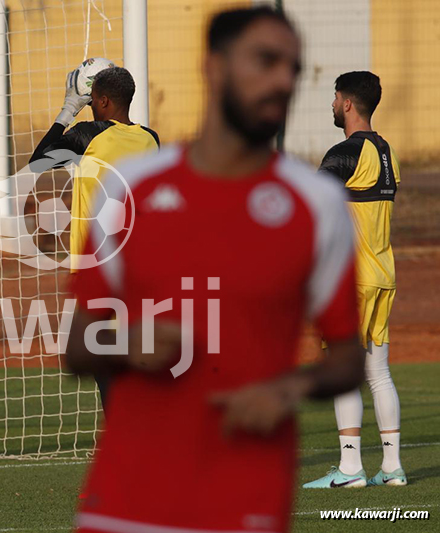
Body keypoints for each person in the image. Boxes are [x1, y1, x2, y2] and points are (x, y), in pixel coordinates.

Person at [65, 7, 365, 533]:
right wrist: (128, 343)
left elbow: (347, 359)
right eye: (264, 62)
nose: (280, 81)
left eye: (291, 68)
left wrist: (289, 389)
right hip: (126, 500)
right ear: (214, 68)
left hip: (245, 496)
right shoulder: (131, 184)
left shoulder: (317, 203)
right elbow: (78, 344)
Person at [30, 66, 159, 409]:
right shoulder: (151, 138)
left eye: (91, 102)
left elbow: (37, 163)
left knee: (103, 351)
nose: (88, 107)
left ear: (102, 101)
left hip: (101, 264)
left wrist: (67, 111)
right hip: (143, 263)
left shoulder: (90, 134)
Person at [303, 71, 405, 489]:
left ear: (347, 103)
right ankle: (392, 468)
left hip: (353, 279)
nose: (331, 105)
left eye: (334, 98)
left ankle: (349, 470)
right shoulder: (388, 152)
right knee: (378, 372)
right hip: (384, 273)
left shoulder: (345, 152)